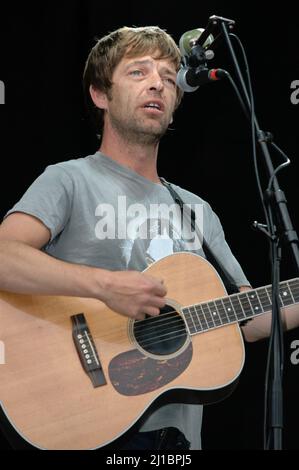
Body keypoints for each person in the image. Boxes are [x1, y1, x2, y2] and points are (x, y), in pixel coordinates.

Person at [0, 26, 298, 451]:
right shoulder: (68, 180)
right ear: (100, 95)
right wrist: (103, 286)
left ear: (175, 104)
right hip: (84, 419)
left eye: (167, 75)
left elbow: (247, 317)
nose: (158, 82)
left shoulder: (197, 210)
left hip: (174, 441)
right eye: (138, 72)